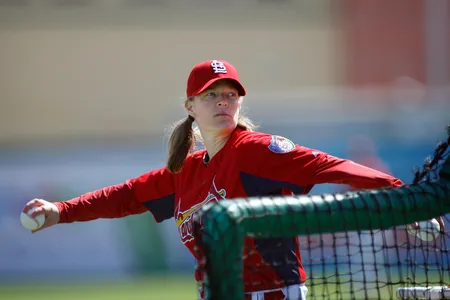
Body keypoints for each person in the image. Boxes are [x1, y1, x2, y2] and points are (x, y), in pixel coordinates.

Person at [22, 59, 403, 300]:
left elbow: (326, 166)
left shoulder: (254, 150)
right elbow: (126, 196)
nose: (223, 102)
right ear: (190, 107)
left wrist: (401, 194)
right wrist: (60, 210)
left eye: (230, 95)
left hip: (270, 293)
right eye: (211, 95)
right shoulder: (185, 171)